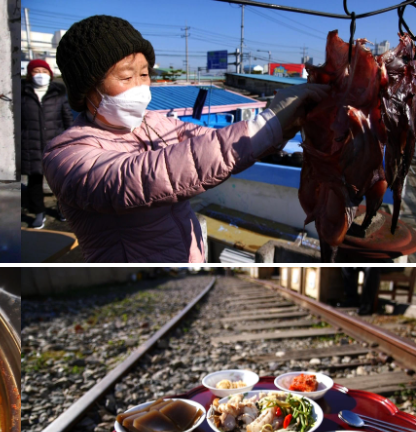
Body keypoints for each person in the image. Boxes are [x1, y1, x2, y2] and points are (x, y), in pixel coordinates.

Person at [42, 15, 331, 262]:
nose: (141, 86)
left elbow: (214, 142)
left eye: (144, 74)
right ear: (88, 90)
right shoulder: (66, 156)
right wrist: (267, 123)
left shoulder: (153, 123)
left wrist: (285, 124)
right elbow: (146, 176)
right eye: (127, 77)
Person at [21, 59, 73, 229]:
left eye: (44, 71)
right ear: (30, 74)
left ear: (50, 74)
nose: (40, 75)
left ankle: (62, 210)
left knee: (59, 181)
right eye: (36, 71)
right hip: (30, 145)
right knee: (34, 182)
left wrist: (71, 140)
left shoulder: (58, 94)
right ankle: (39, 213)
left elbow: (67, 119)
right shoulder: (22, 94)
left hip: (55, 144)